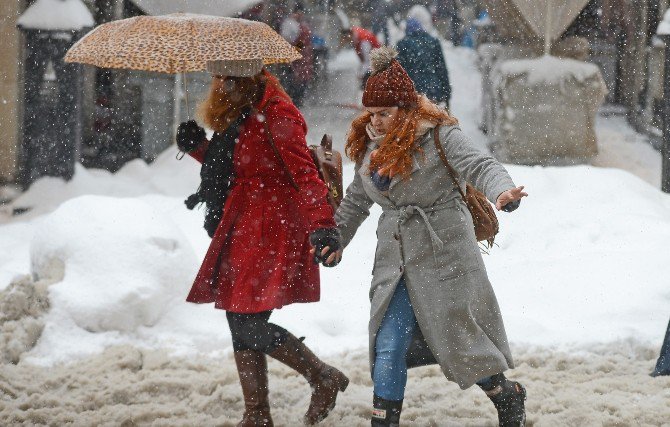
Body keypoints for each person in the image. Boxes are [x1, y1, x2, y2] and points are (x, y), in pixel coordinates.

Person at [319, 47, 528, 426]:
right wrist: (336, 238)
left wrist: (503, 192)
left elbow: (479, 165)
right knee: (388, 344)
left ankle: (505, 394)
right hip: (395, 260)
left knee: (459, 342)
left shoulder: (439, 135)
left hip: (444, 251)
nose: (377, 121)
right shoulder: (368, 145)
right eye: (372, 112)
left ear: (406, 107)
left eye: (385, 113)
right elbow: (357, 200)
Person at [176, 58, 348, 426]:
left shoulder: (277, 113)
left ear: (247, 76)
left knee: (247, 322)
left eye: (226, 78)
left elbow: (305, 175)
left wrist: (323, 225)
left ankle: (322, 377)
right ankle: (257, 414)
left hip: (273, 224)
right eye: (217, 78)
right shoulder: (242, 112)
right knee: (239, 317)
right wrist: (197, 148)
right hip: (245, 222)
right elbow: (237, 163)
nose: (219, 86)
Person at [396, 7, 452, 108]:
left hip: (413, 94)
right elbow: (442, 70)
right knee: (430, 120)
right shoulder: (433, 42)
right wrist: (447, 95)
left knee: (415, 122)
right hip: (433, 92)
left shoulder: (402, 44)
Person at [280, 1, 314, 107]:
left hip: (303, 56)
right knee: (294, 79)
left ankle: (298, 100)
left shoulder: (301, 24)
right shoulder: (290, 23)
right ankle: (294, 101)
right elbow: (288, 39)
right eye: (298, 13)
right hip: (296, 56)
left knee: (301, 79)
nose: (300, 15)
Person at [339, 25, 381, 89]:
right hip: (374, 62)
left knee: (366, 84)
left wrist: (361, 74)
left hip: (377, 63)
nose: (345, 41)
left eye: (345, 38)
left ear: (349, 35)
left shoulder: (363, 41)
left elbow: (368, 60)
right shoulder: (356, 35)